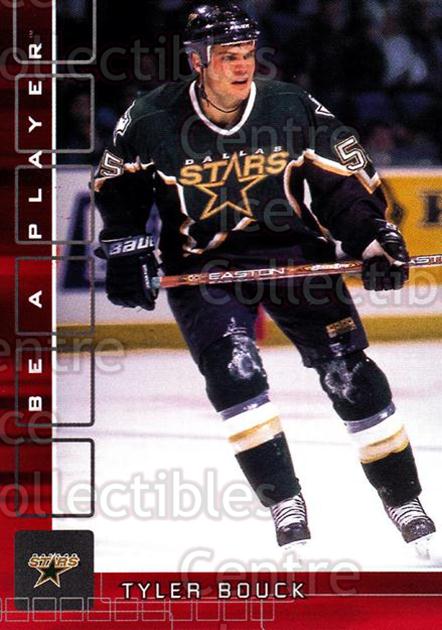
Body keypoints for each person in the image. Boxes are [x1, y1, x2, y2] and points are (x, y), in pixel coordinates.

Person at [94, 3, 435, 549]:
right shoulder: (151, 117)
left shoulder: (289, 106)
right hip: (202, 264)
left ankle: (403, 499)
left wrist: (373, 239)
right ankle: (284, 501)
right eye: (228, 56)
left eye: (248, 54)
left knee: (352, 376)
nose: (242, 66)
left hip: (292, 252)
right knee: (234, 375)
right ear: (197, 60)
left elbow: (342, 184)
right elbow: (118, 188)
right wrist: (126, 247)